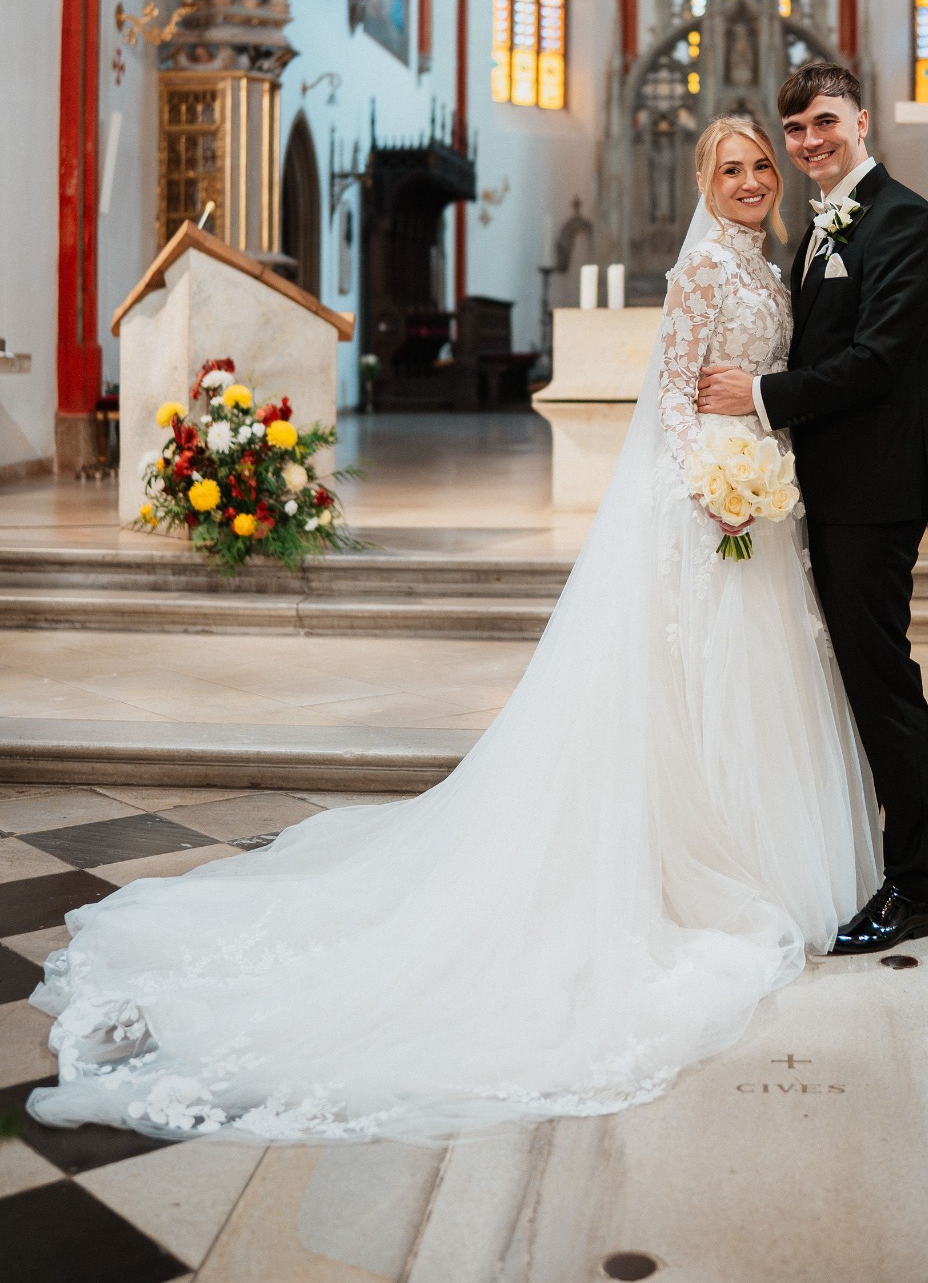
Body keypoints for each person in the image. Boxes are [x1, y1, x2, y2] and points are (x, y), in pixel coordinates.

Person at [28, 115, 880, 1145]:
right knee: (695, 680)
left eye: (759, 167)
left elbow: (764, 386)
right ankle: (702, 862)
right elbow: (669, 401)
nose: (748, 181)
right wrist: (711, 485)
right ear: (704, 181)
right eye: (731, 168)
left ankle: (753, 847)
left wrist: (761, 464)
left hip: (760, 507)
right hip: (707, 504)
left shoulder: (773, 261)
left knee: (753, 679)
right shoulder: (702, 271)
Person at [699, 63, 928, 955]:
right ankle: (862, 861)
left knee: (883, 686)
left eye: (823, 122)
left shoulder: (905, 221)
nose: (810, 140)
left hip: (874, 495)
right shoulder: (815, 228)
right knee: (847, 682)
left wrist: (762, 399)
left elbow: (880, 360)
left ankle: (910, 888)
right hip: (823, 491)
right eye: (796, 126)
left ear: (860, 119)